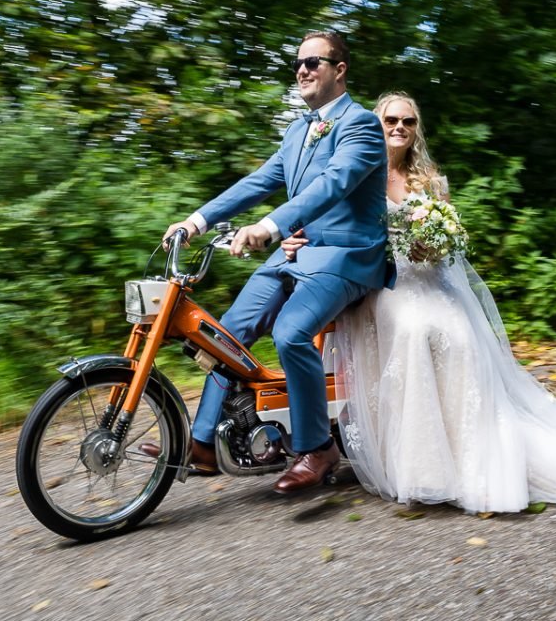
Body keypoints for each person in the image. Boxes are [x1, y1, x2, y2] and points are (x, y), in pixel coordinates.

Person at [283, 91, 556, 512]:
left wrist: (436, 246)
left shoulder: (431, 182)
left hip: (429, 279)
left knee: (460, 335)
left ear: (416, 129)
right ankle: (425, 470)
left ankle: (475, 465)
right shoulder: (353, 173)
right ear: (376, 124)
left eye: (408, 121)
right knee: (412, 328)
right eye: (391, 120)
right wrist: (294, 241)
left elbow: (450, 245)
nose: (399, 128)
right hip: (380, 285)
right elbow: (321, 220)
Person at [160, 31, 394, 494]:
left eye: (314, 62)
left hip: (347, 258)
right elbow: (257, 182)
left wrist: (268, 229)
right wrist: (196, 221)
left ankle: (316, 447)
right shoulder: (296, 130)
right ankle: (202, 445)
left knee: (290, 333)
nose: (303, 70)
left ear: (339, 69)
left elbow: (332, 184)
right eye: (298, 63)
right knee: (225, 334)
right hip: (297, 254)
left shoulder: (362, 125)